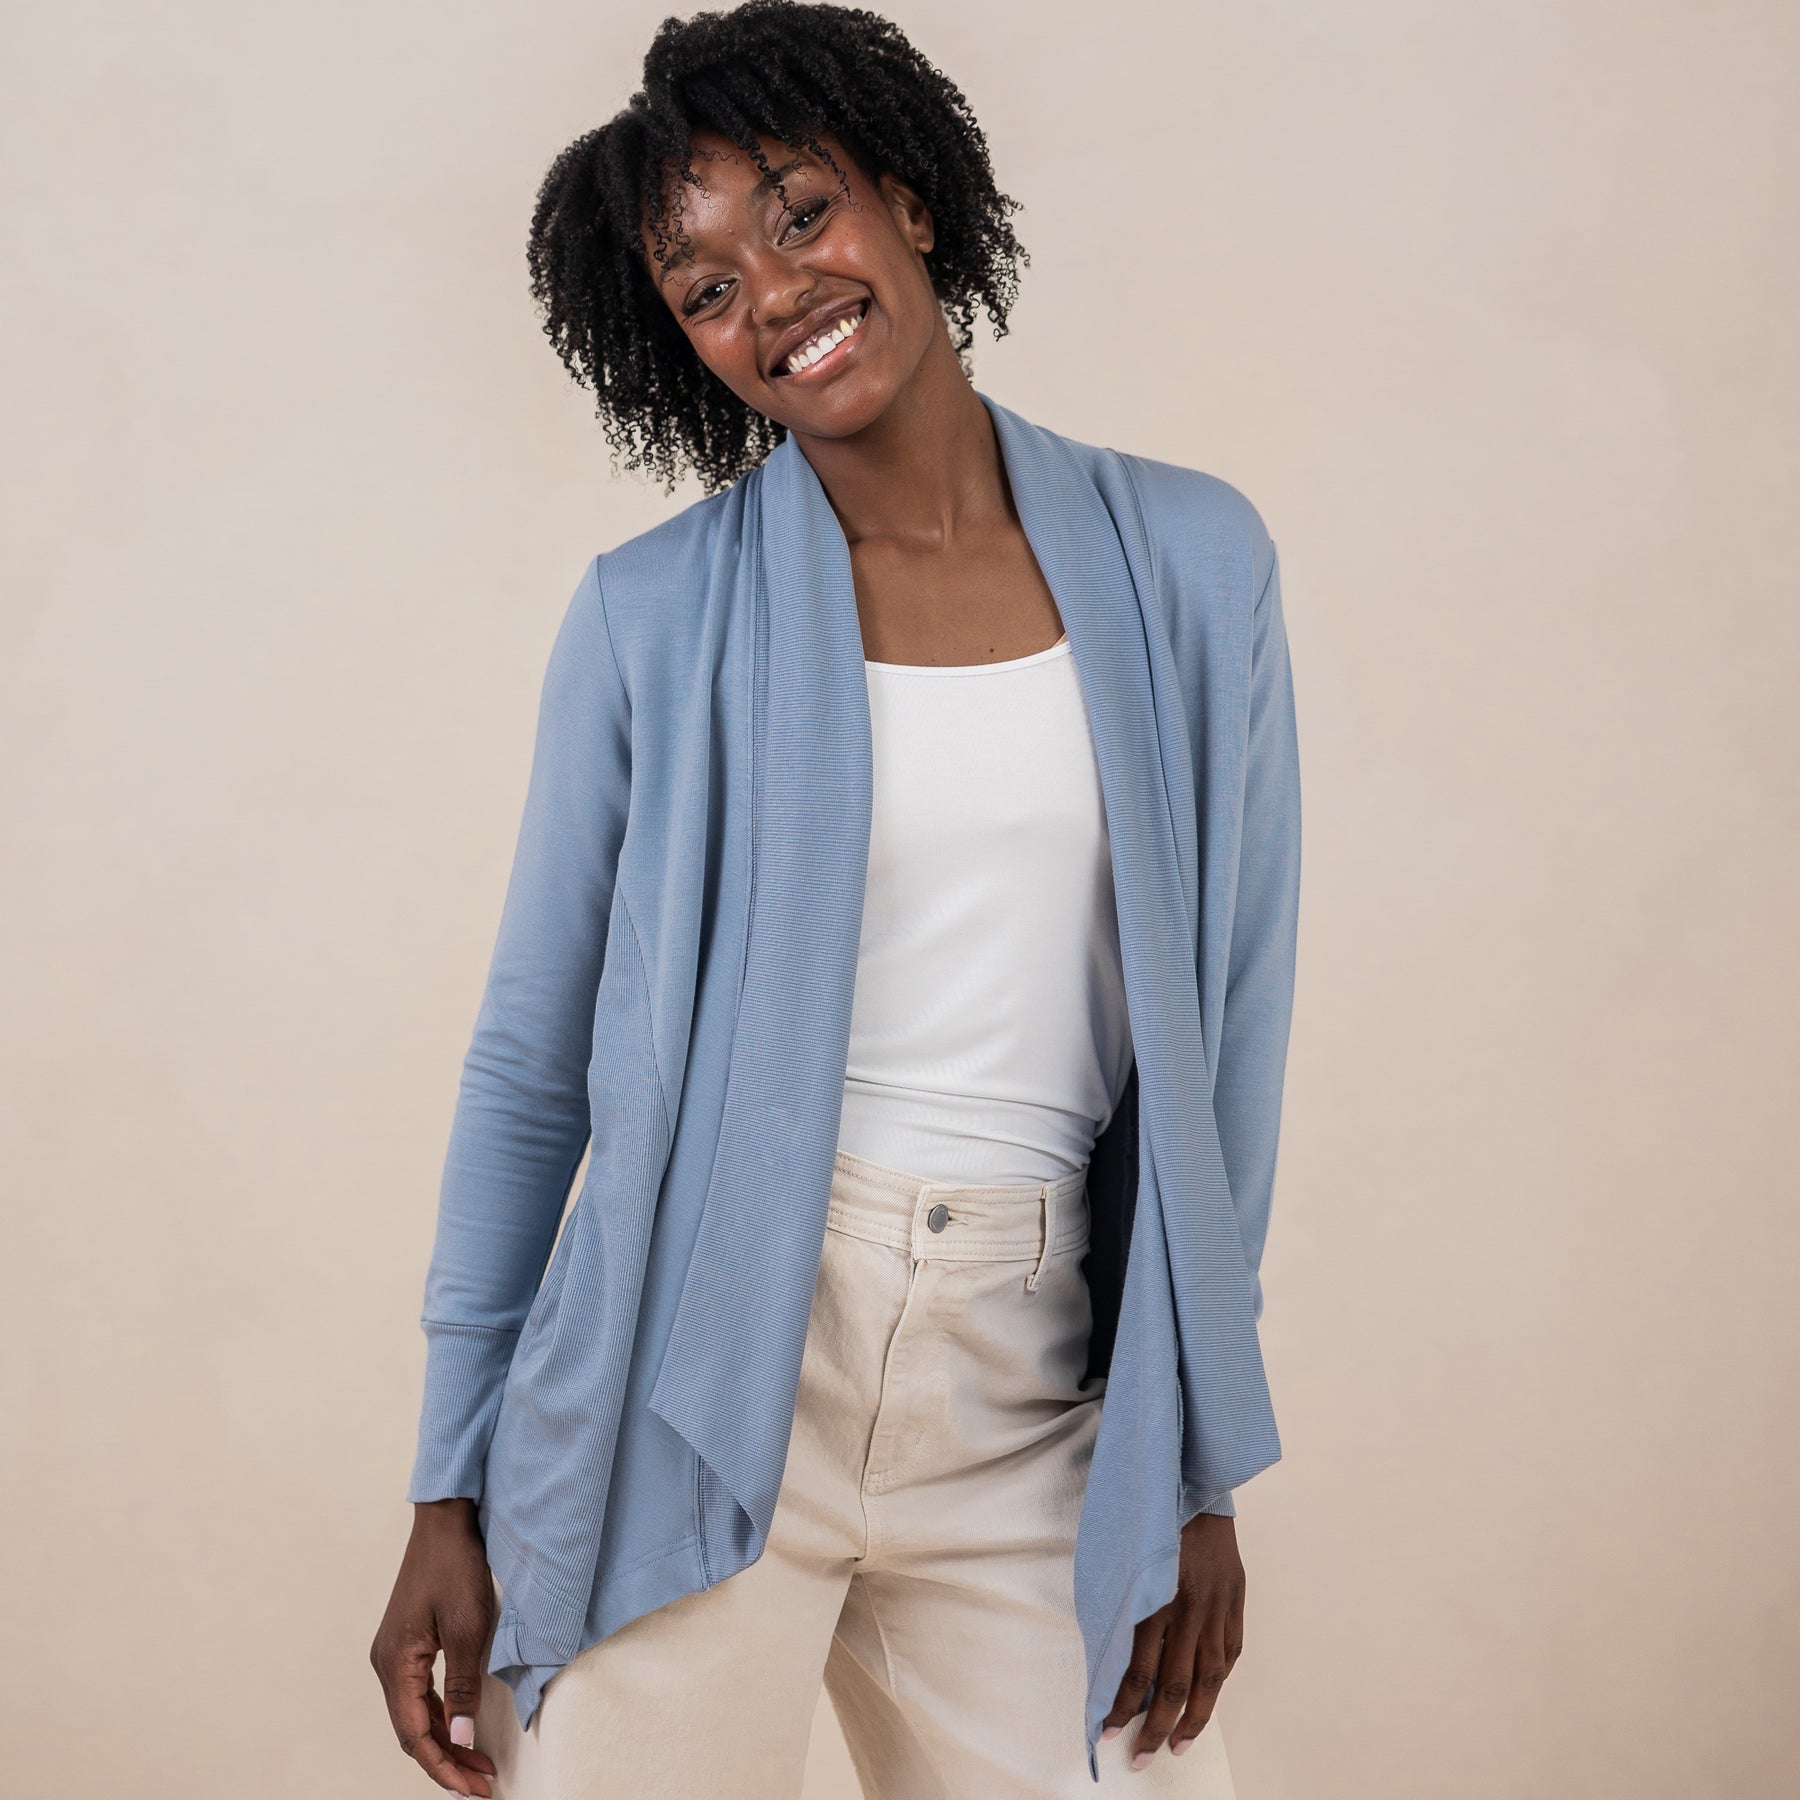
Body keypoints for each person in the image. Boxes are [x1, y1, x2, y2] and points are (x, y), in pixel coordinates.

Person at [369, 3, 1303, 1795]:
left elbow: (1231, 1032)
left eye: (802, 212)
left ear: (912, 199)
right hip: (697, 1368)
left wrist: (1197, 1452)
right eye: (707, 287)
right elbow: (530, 1065)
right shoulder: (651, 617)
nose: (778, 293)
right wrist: (446, 1484)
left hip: (1040, 1389)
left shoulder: (1192, 562)